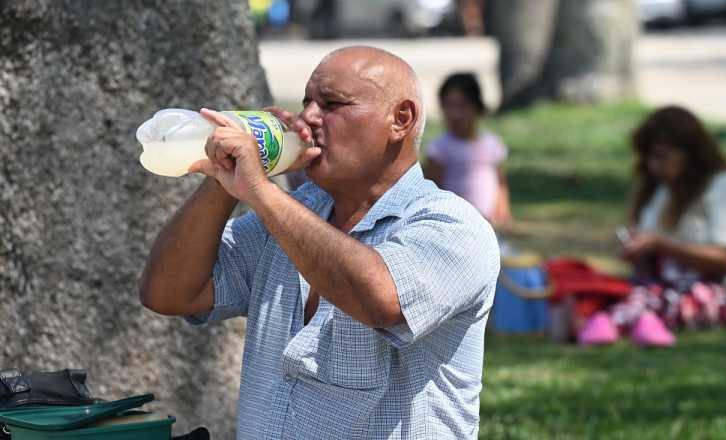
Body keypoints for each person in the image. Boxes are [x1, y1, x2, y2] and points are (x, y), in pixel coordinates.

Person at [138, 46, 500, 439]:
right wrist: (222, 182)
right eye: (308, 101)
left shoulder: (452, 226)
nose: (308, 117)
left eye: (332, 104)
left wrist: (259, 190)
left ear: (400, 119)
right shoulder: (290, 214)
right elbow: (168, 293)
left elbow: (378, 299)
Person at [577, 106, 726, 347]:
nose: (653, 165)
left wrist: (664, 246)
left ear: (689, 153)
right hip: (654, 287)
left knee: (652, 299)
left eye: (661, 156)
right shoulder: (662, 190)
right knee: (615, 291)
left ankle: (615, 324)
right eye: (649, 157)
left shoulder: (725, 186)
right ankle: (632, 323)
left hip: (712, 294)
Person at [424, 72, 512, 227]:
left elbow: (500, 182)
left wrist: (502, 209)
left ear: (477, 107)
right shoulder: (439, 149)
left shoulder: (491, 144)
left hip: (489, 223)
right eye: (448, 106)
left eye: (462, 106)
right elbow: (432, 190)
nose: (455, 114)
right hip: (455, 225)